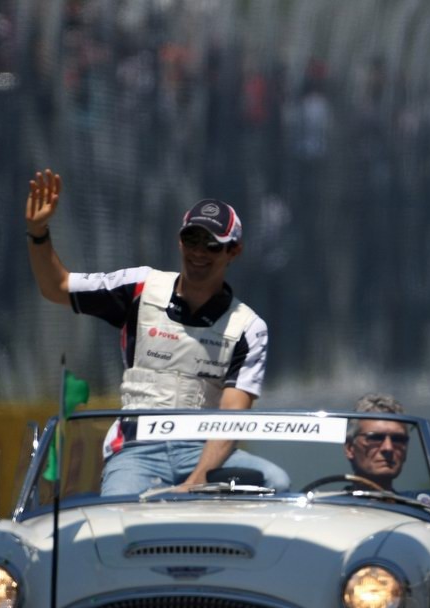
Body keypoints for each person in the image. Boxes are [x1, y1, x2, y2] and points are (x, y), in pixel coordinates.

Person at [24, 169, 288, 495]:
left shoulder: (249, 327)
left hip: (204, 452)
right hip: (136, 449)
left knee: (276, 482)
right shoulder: (139, 287)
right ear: (180, 240)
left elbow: (233, 415)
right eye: (192, 239)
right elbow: (57, 286)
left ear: (234, 251)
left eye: (212, 245)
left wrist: (197, 481)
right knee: (116, 514)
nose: (199, 252)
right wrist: (38, 232)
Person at [344, 393, 410, 491]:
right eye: (375, 438)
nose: (388, 448)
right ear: (350, 448)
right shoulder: (320, 504)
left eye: (398, 439)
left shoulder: (421, 505)